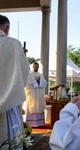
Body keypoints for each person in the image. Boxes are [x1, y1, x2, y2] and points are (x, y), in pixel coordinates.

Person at [0, 15, 30, 149]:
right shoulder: (14, 44)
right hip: (9, 103)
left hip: (10, 103)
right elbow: (24, 72)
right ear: (6, 28)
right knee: (10, 139)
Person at [23, 62, 47, 127]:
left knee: (39, 106)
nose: (36, 68)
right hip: (32, 95)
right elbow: (27, 84)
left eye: (37, 67)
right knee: (32, 106)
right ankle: (30, 123)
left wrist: (39, 81)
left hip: (39, 95)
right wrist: (35, 81)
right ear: (33, 67)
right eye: (35, 66)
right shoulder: (29, 75)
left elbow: (45, 83)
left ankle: (40, 123)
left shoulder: (41, 75)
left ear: (38, 67)